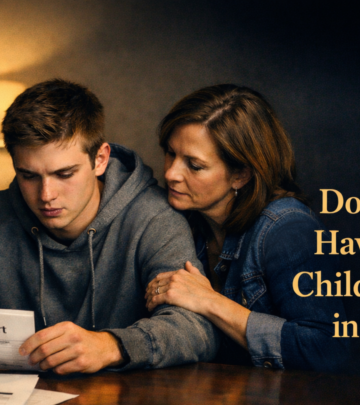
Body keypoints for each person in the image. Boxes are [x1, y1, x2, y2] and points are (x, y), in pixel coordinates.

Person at [0, 79, 217, 374]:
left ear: (100, 159)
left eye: (64, 174)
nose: (46, 195)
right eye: (28, 175)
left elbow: (194, 329)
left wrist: (111, 345)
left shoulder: (154, 217)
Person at [144, 84, 347, 372]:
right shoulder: (182, 220)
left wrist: (209, 301)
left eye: (194, 165)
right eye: (170, 153)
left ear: (240, 175)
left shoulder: (288, 229)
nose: (171, 173)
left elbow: (326, 349)